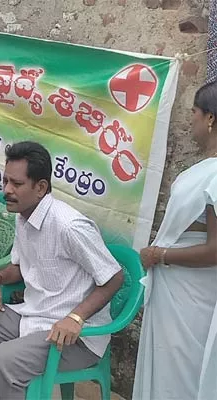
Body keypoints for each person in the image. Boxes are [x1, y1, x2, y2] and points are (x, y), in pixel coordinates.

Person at [0, 141, 124, 400]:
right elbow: (21, 268)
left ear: (41, 188)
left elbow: (114, 277)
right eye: (5, 181)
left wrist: (76, 318)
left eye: (16, 184)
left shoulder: (69, 226)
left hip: (75, 336)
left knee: (3, 361)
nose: (6, 190)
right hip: (36, 314)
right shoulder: (23, 216)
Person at [133, 82, 217, 399]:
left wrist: (161, 254)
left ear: (210, 118)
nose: (190, 121)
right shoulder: (205, 169)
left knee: (184, 373)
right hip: (180, 293)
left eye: (193, 113)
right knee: (169, 370)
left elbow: (215, 249)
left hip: (193, 297)